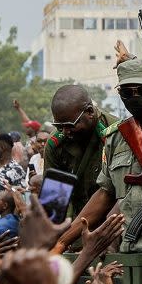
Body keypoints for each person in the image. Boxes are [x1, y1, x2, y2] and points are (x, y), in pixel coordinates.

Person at [55, 57, 142, 254]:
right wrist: (62, 241)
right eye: (127, 92)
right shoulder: (115, 137)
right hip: (130, 248)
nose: (135, 97)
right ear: (119, 93)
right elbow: (105, 193)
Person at [44, 84, 117, 214]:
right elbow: (54, 202)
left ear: (89, 112)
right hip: (77, 218)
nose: (65, 132)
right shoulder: (55, 144)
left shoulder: (116, 135)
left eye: (70, 125)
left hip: (113, 217)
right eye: (59, 126)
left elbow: (116, 195)